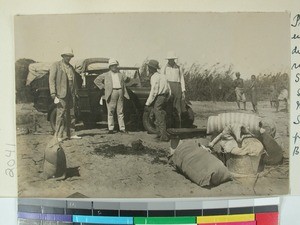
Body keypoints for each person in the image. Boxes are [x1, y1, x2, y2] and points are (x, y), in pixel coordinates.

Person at [49, 47, 81, 142]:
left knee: (72, 113)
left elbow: (74, 82)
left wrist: (75, 93)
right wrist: (53, 93)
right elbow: (51, 80)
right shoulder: (56, 65)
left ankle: (72, 133)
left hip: (71, 93)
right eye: (67, 56)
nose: (69, 58)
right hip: (61, 93)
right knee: (60, 114)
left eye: (70, 56)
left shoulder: (71, 67)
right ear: (63, 56)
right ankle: (58, 135)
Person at [94, 58, 130, 134]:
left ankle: (122, 128)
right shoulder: (106, 74)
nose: (114, 67)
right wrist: (104, 87)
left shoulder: (120, 74)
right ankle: (111, 128)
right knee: (111, 111)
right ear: (110, 67)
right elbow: (96, 80)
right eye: (112, 65)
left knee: (120, 111)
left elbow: (128, 79)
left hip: (120, 92)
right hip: (111, 92)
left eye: (115, 65)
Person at [145, 59, 171, 142]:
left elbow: (154, 91)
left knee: (159, 115)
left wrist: (148, 103)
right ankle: (160, 133)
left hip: (159, 97)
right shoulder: (163, 76)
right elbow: (169, 89)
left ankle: (164, 136)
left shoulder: (154, 77)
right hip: (164, 96)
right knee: (159, 114)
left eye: (149, 68)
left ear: (151, 68)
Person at [163, 51, 186, 127]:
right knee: (168, 106)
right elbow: (163, 78)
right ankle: (169, 125)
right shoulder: (165, 67)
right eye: (169, 59)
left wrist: (183, 91)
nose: (171, 60)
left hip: (177, 87)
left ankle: (178, 126)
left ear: (174, 59)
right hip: (168, 86)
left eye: (172, 59)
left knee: (177, 107)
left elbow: (182, 78)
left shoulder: (179, 67)